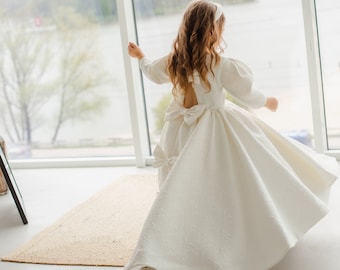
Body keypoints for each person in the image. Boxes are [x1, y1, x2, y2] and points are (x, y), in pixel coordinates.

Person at [125, 1, 338, 269]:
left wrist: (140, 56)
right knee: (238, 173)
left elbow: (150, 72)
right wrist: (267, 101)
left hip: (179, 131)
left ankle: (184, 227)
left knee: (182, 184)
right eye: (220, 28)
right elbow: (246, 93)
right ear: (212, 32)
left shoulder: (173, 61)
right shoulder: (220, 64)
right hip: (215, 130)